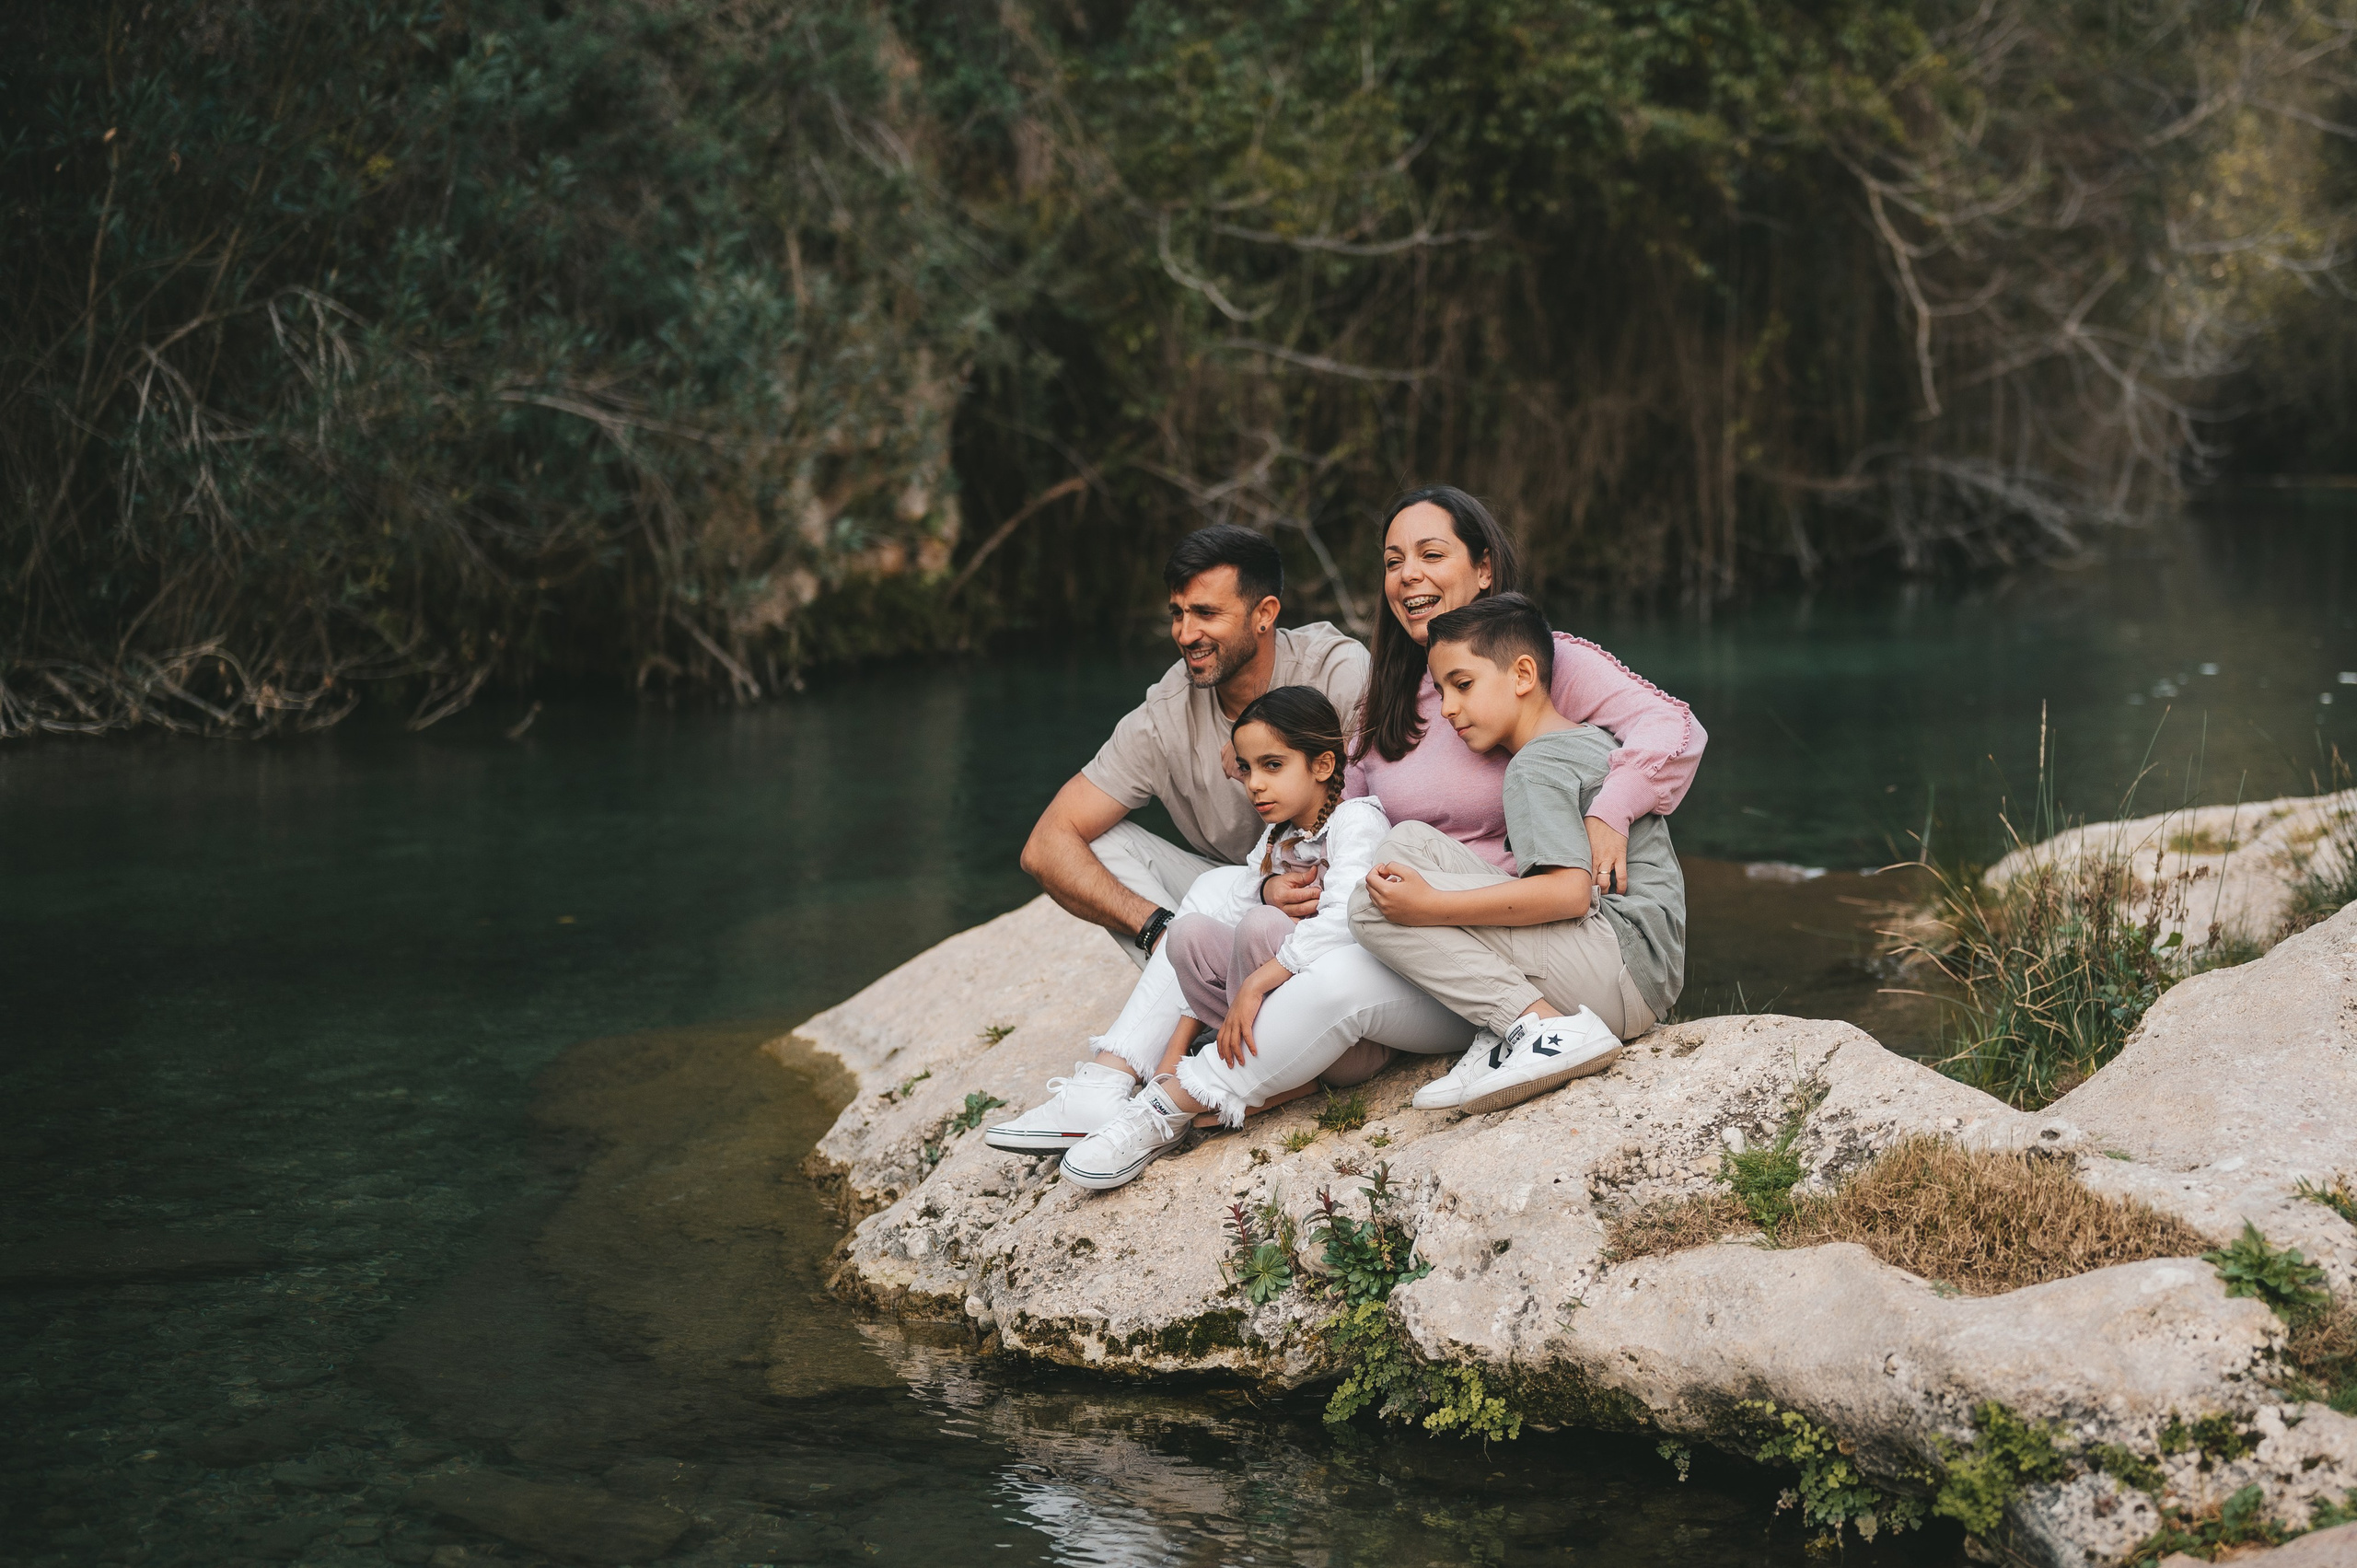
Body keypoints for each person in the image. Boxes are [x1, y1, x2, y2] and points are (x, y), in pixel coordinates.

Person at [1043, 487, 1705, 1190]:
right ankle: (1124, 1074)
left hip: (1513, 927)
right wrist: (1277, 877)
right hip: (1419, 928)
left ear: (1484, 569)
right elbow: (1341, 817)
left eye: (1431, 554)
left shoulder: (1536, 663)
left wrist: (1612, 809)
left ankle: (1173, 1103)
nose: (1408, 575)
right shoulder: (1391, 692)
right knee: (1266, 896)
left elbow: (1674, 728)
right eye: (1393, 561)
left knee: (1342, 967)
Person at [983, 527, 1367, 1154]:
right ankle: (1168, 1020)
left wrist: (1264, 883)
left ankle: (1121, 1075)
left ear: (1265, 614)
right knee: (1104, 844)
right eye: (1178, 613)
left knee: (1223, 885)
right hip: (1228, 918)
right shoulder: (1164, 713)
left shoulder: (1336, 670)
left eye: (1207, 613)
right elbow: (1044, 846)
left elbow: (1374, 823)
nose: (1186, 633)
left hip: (1322, 915)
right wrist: (1162, 929)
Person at [1352, 594, 1685, 1114]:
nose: (1448, 708)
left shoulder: (1537, 765)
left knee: (1373, 904)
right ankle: (1505, 1023)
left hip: (1622, 971)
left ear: (1523, 674)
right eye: (1440, 690)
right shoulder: (1588, 740)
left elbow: (1570, 894)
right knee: (1406, 846)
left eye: (1462, 685)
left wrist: (1429, 910)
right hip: (1637, 964)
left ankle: (1538, 1026)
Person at [1063, 687, 1390, 1188]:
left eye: (1273, 766)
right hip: (1270, 1014)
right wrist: (1171, 1058)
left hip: (1342, 1038)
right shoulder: (1277, 837)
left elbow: (1346, 922)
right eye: (1246, 769)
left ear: (1323, 765)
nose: (1255, 785)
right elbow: (1232, 908)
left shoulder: (1355, 821)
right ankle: (1226, 1061)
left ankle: (1279, 1083)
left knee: (1263, 927)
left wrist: (1259, 980)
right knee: (1188, 931)